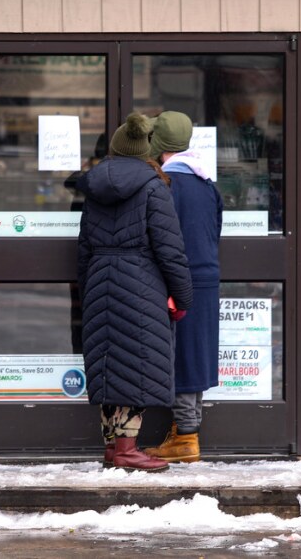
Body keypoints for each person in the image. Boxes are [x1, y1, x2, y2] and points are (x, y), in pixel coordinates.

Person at [76, 112, 193, 472]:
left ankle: (113, 446)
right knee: (136, 362)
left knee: (111, 363)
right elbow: (169, 249)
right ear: (146, 149)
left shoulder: (93, 186)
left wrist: (88, 287)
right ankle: (128, 449)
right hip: (140, 282)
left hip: (100, 279)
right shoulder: (153, 187)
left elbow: (84, 246)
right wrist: (183, 296)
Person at [144, 111, 223, 463]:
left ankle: (186, 437)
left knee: (182, 357)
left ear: (158, 144)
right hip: (206, 277)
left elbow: (159, 239)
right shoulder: (206, 183)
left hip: (177, 279)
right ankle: (186, 430)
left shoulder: (166, 184)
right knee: (196, 353)